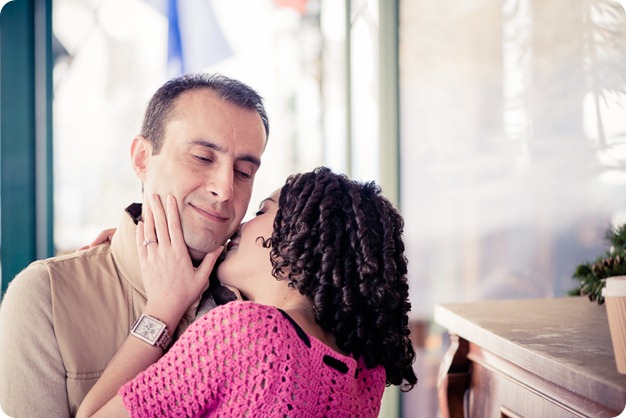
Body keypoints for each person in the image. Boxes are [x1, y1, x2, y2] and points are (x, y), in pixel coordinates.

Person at [0, 73, 269, 418]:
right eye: (203, 158)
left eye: (244, 172)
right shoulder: (45, 297)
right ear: (143, 158)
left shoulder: (264, 306)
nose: (225, 189)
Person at [77, 167, 417, 417]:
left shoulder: (250, 331)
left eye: (262, 211)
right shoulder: (364, 380)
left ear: (300, 234)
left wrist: (163, 307)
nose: (239, 225)